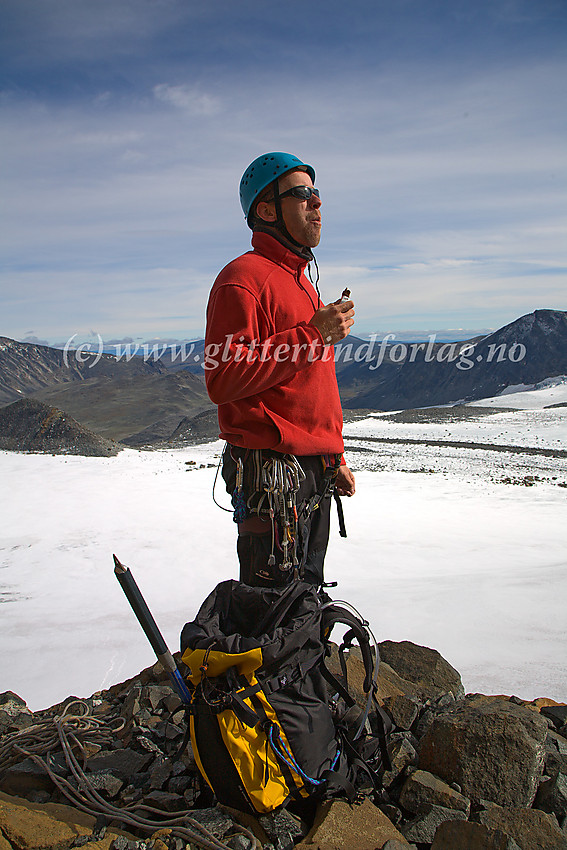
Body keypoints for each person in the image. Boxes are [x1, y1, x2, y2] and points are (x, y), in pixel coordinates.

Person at [205, 152, 356, 587]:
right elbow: (223, 377)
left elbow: (311, 389)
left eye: (317, 194)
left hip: (310, 472)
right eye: (302, 194)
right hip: (271, 475)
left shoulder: (302, 283)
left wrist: (334, 456)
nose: (317, 203)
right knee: (271, 602)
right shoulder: (243, 278)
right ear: (267, 210)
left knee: (304, 591)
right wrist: (313, 335)